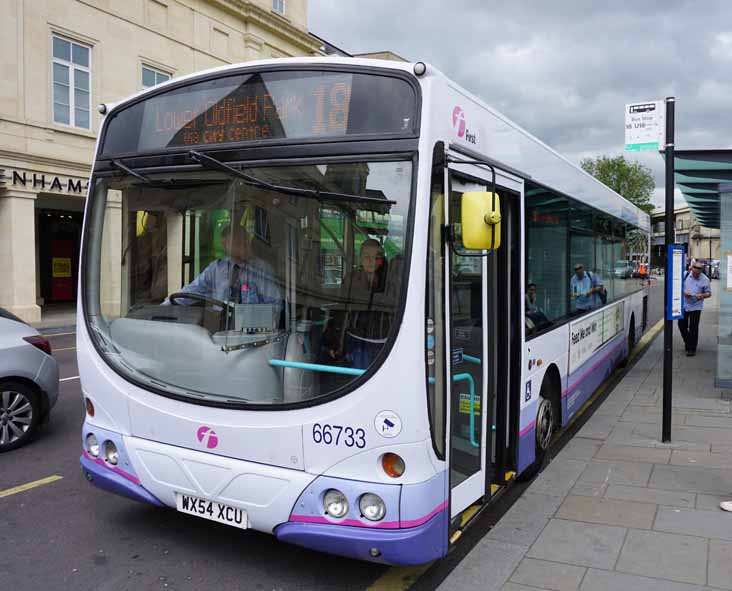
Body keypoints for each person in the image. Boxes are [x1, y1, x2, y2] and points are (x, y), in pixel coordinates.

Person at [168, 221, 281, 315]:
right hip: (219, 327)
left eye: (245, 241)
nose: (243, 245)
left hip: (251, 330)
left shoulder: (262, 269)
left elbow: (275, 306)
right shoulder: (216, 268)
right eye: (237, 243)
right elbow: (190, 291)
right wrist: (162, 308)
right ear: (225, 244)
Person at [323, 239, 392, 369]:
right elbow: (340, 310)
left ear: (381, 260)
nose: (371, 261)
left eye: (375, 257)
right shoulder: (351, 279)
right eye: (366, 257)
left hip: (382, 339)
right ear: (360, 259)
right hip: (356, 338)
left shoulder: (388, 281)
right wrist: (333, 342)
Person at [678, 260, 711, 357]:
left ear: (701, 271)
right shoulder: (685, 275)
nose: (696, 273)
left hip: (696, 306)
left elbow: (709, 293)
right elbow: (677, 285)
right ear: (692, 268)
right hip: (684, 305)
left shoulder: (705, 280)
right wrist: (684, 292)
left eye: (698, 271)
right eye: (694, 270)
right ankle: (688, 342)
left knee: (693, 327)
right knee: (681, 325)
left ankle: (692, 348)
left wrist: (703, 295)